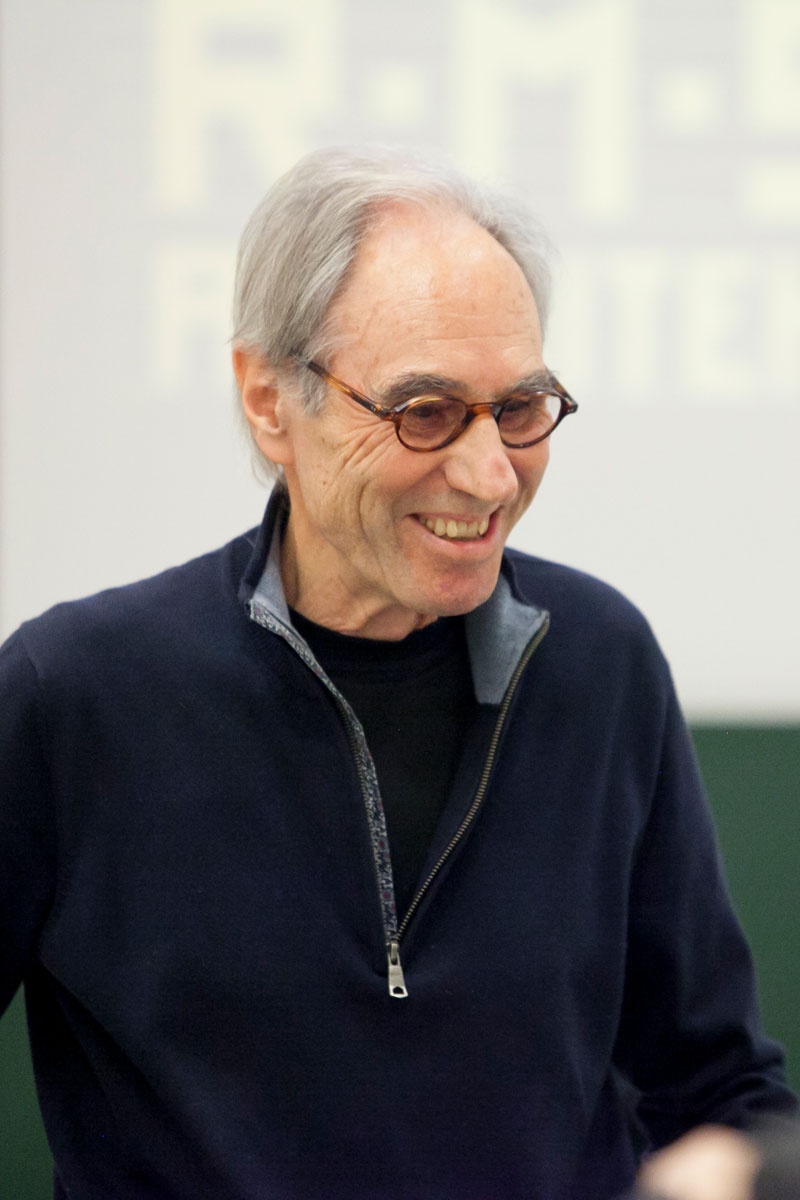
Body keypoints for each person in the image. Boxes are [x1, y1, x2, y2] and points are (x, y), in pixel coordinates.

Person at [0, 146, 795, 1200]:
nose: (490, 474)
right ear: (269, 400)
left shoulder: (601, 664)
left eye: (521, 407)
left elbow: (717, 1092)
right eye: (425, 412)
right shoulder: (72, 695)